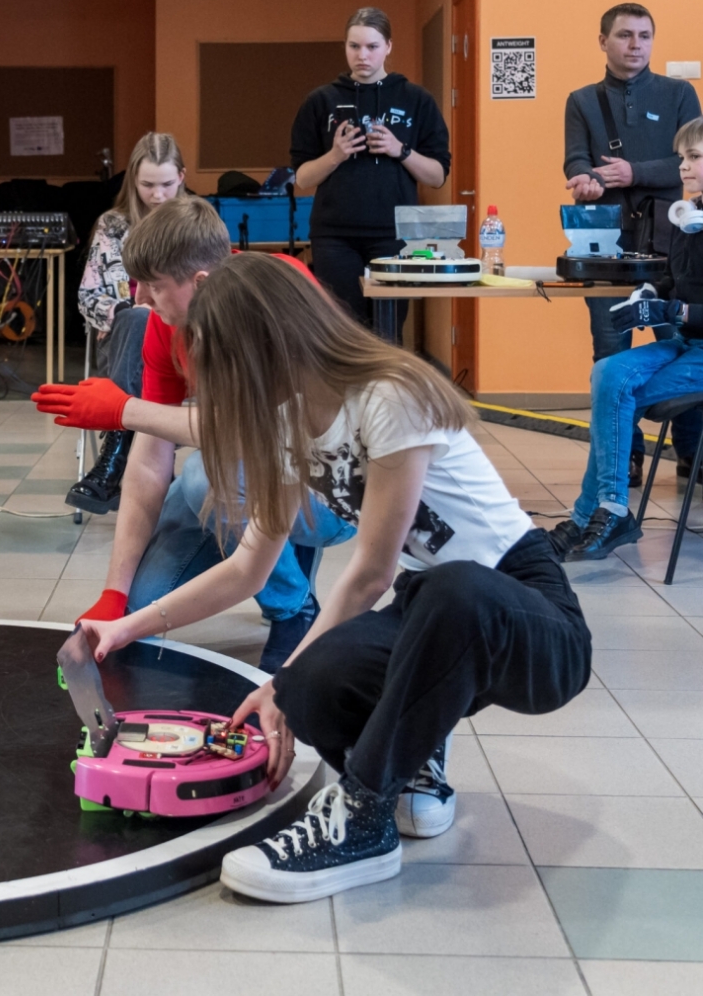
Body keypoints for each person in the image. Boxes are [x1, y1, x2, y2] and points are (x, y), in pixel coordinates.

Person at [63, 253, 589, 903]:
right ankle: (414, 754)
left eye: (223, 364)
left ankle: (361, 818)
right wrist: (125, 624)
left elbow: (369, 572)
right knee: (308, 689)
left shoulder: (389, 391)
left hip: (529, 613)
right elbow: (246, 568)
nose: (219, 385)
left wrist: (279, 679)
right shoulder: (287, 425)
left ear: (265, 343)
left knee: (448, 590)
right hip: (433, 611)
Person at [34, 198, 353, 673]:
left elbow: (261, 430)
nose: (141, 300)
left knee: (210, 472)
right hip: (262, 477)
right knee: (145, 602)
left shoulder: (278, 292)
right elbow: (148, 461)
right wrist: (113, 594)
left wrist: (124, 409)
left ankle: (295, 609)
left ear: (200, 282)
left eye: (155, 287)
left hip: (328, 493)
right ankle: (283, 566)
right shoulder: (167, 324)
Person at [565, 2, 703, 488]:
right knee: (610, 349)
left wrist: (633, 173)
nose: (636, 45)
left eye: (645, 35)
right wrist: (583, 181)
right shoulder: (581, 100)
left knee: (679, 345)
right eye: (625, 35)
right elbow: (576, 160)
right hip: (606, 245)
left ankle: (692, 455)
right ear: (603, 41)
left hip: (674, 242)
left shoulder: (680, 93)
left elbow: (688, 163)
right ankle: (625, 460)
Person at [553, 118, 703, 561]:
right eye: (682, 158)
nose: (683, 168)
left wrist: (678, 312)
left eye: (694, 157)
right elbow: (673, 281)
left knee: (617, 395)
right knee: (608, 371)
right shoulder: (686, 219)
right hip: (686, 343)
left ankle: (595, 514)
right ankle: (607, 512)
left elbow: (684, 307)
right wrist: (650, 295)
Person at [290, 6, 450, 339]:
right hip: (335, 235)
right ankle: (346, 393)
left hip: (393, 233)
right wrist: (335, 155)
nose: (362, 55)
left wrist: (400, 150)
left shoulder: (416, 99)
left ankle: (386, 393)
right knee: (342, 332)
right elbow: (302, 180)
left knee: (388, 332)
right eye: (354, 46)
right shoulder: (320, 101)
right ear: (345, 47)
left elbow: (436, 176)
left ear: (388, 47)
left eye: (372, 47)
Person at [68, 132, 187, 514]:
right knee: (137, 319)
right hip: (125, 339)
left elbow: (216, 289)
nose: (157, 195)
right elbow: (88, 296)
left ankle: (113, 460)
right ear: (132, 180)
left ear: (182, 178)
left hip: (183, 344)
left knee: (147, 319)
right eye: (147, 185)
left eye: (166, 185)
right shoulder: (113, 225)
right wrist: (124, 313)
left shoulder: (194, 223)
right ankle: (143, 462)